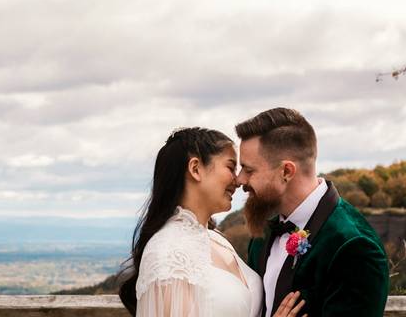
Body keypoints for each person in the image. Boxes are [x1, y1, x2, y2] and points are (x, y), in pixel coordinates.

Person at [119, 127, 307, 317]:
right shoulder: (168, 253)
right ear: (195, 169)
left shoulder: (217, 240)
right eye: (230, 167)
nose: (239, 180)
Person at [235, 108, 389, 317]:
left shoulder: (354, 246)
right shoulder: (263, 235)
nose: (240, 179)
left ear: (286, 172)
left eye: (249, 170)